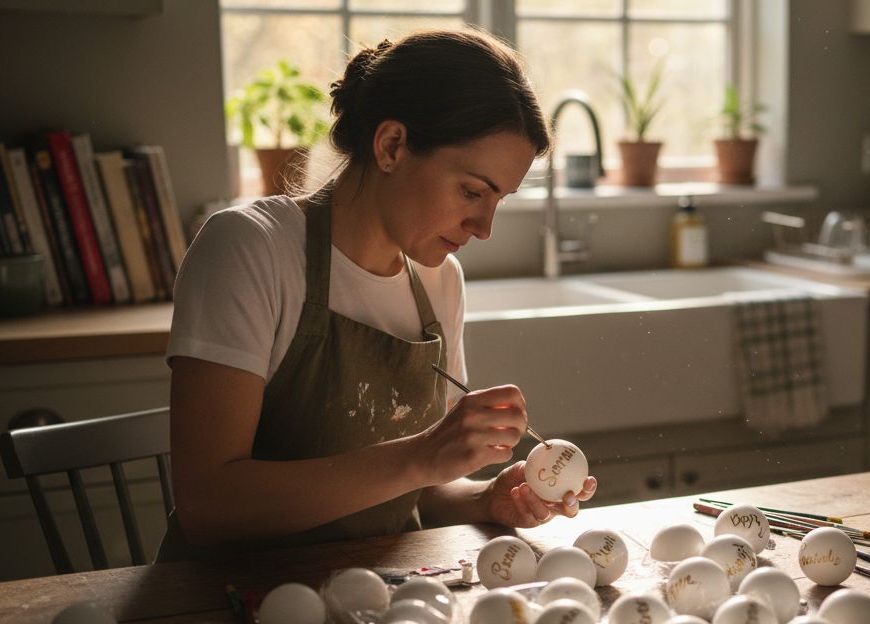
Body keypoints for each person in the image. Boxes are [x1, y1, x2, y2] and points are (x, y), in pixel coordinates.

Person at [158, 29, 596, 560]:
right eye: (471, 191)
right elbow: (209, 507)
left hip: (379, 599)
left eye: (497, 199)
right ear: (391, 146)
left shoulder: (439, 282)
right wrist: (423, 456)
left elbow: (416, 494)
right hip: (226, 608)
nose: (484, 227)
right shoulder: (251, 249)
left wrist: (485, 499)